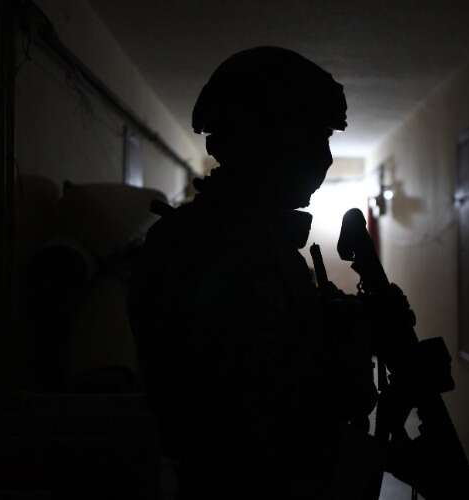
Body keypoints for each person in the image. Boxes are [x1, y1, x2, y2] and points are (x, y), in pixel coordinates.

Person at [128, 46, 376, 500]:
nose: (324, 158)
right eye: (313, 136)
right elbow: (246, 414)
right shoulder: (206, 247)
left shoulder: (254, 241)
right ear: (260, 139)